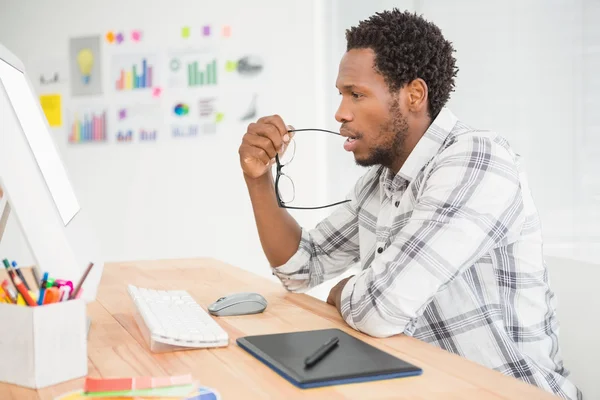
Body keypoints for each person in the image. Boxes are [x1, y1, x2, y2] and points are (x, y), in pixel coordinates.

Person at [238, 9, 580, 400]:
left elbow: (380, 310)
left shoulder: (477, 159)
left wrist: (345, 291)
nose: (340, 112)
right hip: (428, 386)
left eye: (357, 94)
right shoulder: (381, 183)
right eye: (341, 94)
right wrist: (258, 178)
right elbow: (301, 267)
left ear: (414, 95)